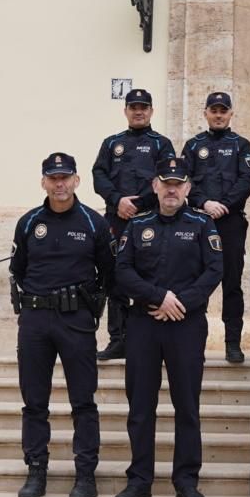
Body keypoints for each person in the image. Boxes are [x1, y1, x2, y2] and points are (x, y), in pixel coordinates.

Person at [112, 157, 223, 497]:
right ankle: (139, 480)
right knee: (140, 407)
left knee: (186, 406)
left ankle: (186, 480)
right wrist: (160, 298)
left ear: (188, 188)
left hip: (187, 325)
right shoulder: (137, 224)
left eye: (179, 183)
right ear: (155, 186)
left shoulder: (203, 224)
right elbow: (123, 271)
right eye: (166, 183)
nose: (172, 189)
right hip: (144, 323)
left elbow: (214, 270)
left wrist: (180, 303)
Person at [9, 153, 115, 497]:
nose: (59, 183)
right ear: (43, 182)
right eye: (52, 178)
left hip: (75, 320)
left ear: (76, 180)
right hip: (36, 319)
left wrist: (86, 305)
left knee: (83, 400)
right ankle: (36, 469)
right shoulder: (28, 223)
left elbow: (108, 273)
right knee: (34, 401)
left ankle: (85, 474)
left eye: (65, 177)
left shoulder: (93, 223)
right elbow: (19, 269)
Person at [92, 88, 175, 361]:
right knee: (114, 278)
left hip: (148, 220)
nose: (138, 111)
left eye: (144, 107)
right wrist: (118, 201)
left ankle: (146, 338)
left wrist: (137, 205)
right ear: (125, 110)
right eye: (133, 107)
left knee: (148, 275)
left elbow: (168, 180)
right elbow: (99, 175)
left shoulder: (161, 144)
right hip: (116, 219)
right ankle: (118, 339)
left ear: (152, 111)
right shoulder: (111, 143)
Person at [182, 91, 250, 363]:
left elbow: (247, 180)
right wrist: (204, 204)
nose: (218, 115)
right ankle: (192, 341)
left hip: (231, 222)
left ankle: (232, 342)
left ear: (230, 114)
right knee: (193, 280)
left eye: (223, 110)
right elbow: (184, 180)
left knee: (232, 284)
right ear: (205, 113)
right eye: (213, 110)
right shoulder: (192, 146)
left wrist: (222, 205)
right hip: (198, 222)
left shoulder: (242, 145)